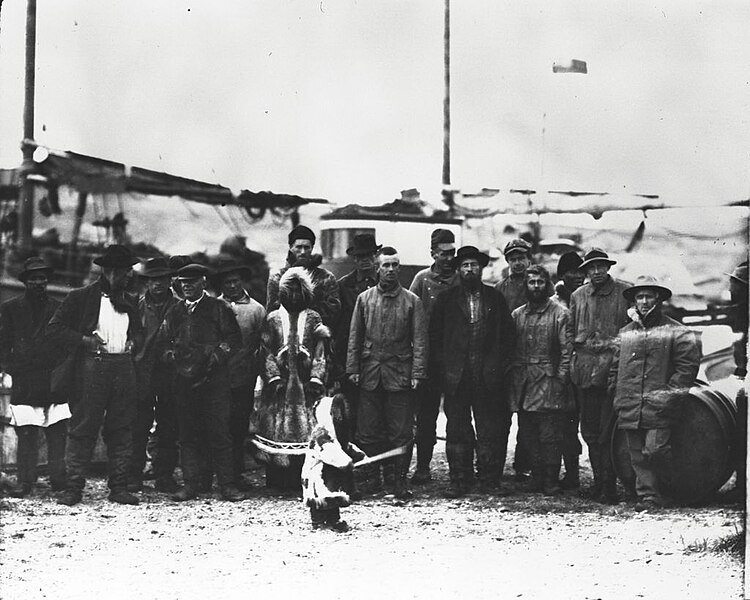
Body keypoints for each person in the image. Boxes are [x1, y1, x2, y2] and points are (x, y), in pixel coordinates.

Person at [49, 245, 144, 506]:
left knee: (122, 428)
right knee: (83, 428)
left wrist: (135, 342)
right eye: (127, 272)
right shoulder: (80, 297)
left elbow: (138, 332)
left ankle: (119, 488)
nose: (130, 276)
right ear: (112, 272)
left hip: (124, 369)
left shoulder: (130, 300)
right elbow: (55, 329)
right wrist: (84, 340)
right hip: (92, 369)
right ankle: (73, 489)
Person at [430, 246, 515, 497]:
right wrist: (444, 370)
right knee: (457, 429)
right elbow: (435, 338)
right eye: (465, 266)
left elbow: (508, 337)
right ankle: (459, 480)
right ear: (458, 269)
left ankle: (490, 480)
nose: (470, 270)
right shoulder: (446, 300)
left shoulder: (495, 299)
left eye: (474, 265)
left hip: (488, 377)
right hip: (456, 377)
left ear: (481, 268)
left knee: (490, 429)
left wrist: (498, 367)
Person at [609, 275, 700, 510]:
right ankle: (648, 496)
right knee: (637, 454)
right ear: (634, 301)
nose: (644, 301)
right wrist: (616, 391)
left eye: (649, 296)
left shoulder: (677, 331)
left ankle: (673, 489)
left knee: (656, 450)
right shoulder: (626, 331)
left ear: (658, 299)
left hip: (660, 405)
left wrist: (669, 396)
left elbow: (687, 367)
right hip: (629, 404)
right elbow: (615, 365)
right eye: (640, 297)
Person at [158, 263, 244, 502]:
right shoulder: (175, 312)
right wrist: (172, 357)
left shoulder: (218, 308)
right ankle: (191, 485)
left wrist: (216, 357)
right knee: (187, 434)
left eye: (192, 282)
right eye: (183, 282)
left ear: (203, 283)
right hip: (184, 383)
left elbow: (234, 339)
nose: (187, 286)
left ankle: (227, 485)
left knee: (220, 432)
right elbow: (162, 342)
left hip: (214, 382)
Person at [347, 247, 427, 500]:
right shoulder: (365, 299)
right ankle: (371, 480)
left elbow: (421, 341)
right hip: (370, 373)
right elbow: (354, 337)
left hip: (400, 373)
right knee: (368, 431)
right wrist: (353, 369)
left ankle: (399, 481)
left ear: (399, 268)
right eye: (385, 265)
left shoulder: (412, 301)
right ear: (377, 268)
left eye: (394, 265)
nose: (390, 270)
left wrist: (417, 372)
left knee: (400, 431)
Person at [252, 266, 330, 489]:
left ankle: (302, 479)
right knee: (276, 430)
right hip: (278, 389)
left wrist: (316, 378)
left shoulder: (314, 318)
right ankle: (277, 479)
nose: (294, 296)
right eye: (290, 291)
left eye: (299, 291)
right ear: (282, 292)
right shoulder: (273, 319)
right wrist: (273, 377)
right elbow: (266, 351)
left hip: (306, 387)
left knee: (307, 431)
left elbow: (321, 353)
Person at [0, 258, 69, 497]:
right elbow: (3, 343)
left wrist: (61, 370)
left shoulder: (58, 307)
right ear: (25, 281)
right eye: (33, 278)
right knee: (26, 432)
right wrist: (12, 368)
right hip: (26, 378)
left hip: (52, 378)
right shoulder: (10, 308)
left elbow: (64, 342)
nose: (38, 282)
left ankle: (59, 480)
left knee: (57, 431)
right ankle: (25, 481)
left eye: (42, 278)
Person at [569, 248, 630, 503]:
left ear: (608, 267)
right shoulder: (577, 296)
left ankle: (609, 485)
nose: (596, 272)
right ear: (585, 271)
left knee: (608, 432)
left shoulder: (624, 293)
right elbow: (571, 333)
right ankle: (598, 483)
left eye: (600, 266)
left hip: (612, 373)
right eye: (591, 268)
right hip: (585, 373)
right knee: (590, 432)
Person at [509, 265, 573, 496]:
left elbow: (567, 352)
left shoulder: (560, 314)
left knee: (550, 435)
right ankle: (536, 477)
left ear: (547, 284)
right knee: (528, 434)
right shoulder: (517, 315)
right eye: (531, 282)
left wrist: (560, 381)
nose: (536, 286)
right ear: (525, 285)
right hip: (524, 383)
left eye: (540, 282)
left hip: (549, 382)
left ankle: (550, 479)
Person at [408, 228, 459, 483]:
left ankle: (458, 470)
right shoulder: (421, 280)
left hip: (454, 360)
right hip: (428, 359)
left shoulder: (461, 279)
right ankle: (423, 467)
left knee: (456, 415)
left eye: (452, 253)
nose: (449, 259)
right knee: (426, 417)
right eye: (444, 254)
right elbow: (411, 316)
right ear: (433, 254)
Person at [127, 257, 180, 493]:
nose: (157, 284)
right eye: (152, 280)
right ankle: (133, 475)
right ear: (146, 283)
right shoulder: (136, 306)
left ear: (169, 281)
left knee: (169, 425)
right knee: (138, 426)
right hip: (142, 373)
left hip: (170, 374)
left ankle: (164, 475)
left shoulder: (180, 306)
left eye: (162, 279)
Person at [214, 260, 266, 490]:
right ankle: (218, 475)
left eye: (236, 281)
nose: (232, 286)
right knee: (217, 426)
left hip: (244, 378)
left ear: (242, 282)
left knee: (238, 427)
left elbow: (262, 345)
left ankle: (236, 474)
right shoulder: (214, 307)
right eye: (227, 283)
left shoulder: (256, 309)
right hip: (216, 378)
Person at [495, 238, 534, 481]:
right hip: (506, 359)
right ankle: (494, 466)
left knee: (529, 417)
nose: (518, 263)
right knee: (500, 416)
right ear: (508, 261)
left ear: (529, 259)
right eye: (513, 259)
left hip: (532, 357)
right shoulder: (500, 288)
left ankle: (524, 466)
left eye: (521, 258)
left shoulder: (539, 284)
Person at [333, 234, 380, 425]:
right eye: (361, 257)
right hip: (350, 360)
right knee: (350, 412)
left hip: (378, 360)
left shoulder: (385, 284)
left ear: (376, 256)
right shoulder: (343, 286)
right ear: (354, 259)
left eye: (369, 256)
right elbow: (337, 326)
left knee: (375, 413)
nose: (365, 261)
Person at [551, 251, 585, 491]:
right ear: (562, 275)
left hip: (584, 369)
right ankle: (570, 473)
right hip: (562, 370)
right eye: (571, 272)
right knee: (564, 425)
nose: (577, 276)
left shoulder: (587, 298)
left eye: (580, 271)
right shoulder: (554, 302)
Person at [266, 224, 341, 330]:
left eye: (306, 247)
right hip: (284, 336)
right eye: (298, 247)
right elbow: (272, 315)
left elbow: (334, 313)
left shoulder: (326, 278)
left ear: (312, 248)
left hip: (316, 337)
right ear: (291, 247)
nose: (302, 252)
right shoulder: (277, 278)